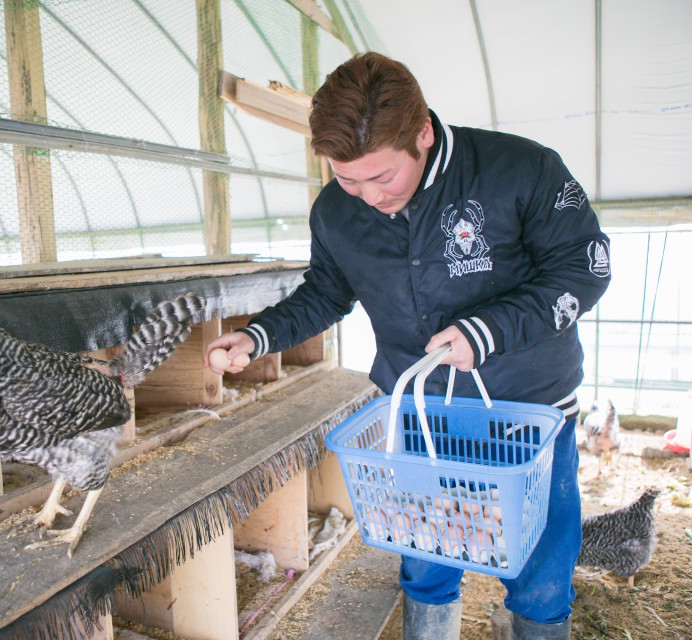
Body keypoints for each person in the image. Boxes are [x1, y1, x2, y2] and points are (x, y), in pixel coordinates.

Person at [204, 52, 611, 640]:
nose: (367, 196)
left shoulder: (519, 169)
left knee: (541, 570)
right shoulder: (337, 211)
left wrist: (489, 331)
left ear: (421, 133)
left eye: (382, 177)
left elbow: (583, 268)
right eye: (348, 179)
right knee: (424, 556)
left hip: (527, 412)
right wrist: (257, 335)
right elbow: (326, 292)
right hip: (419, 413)